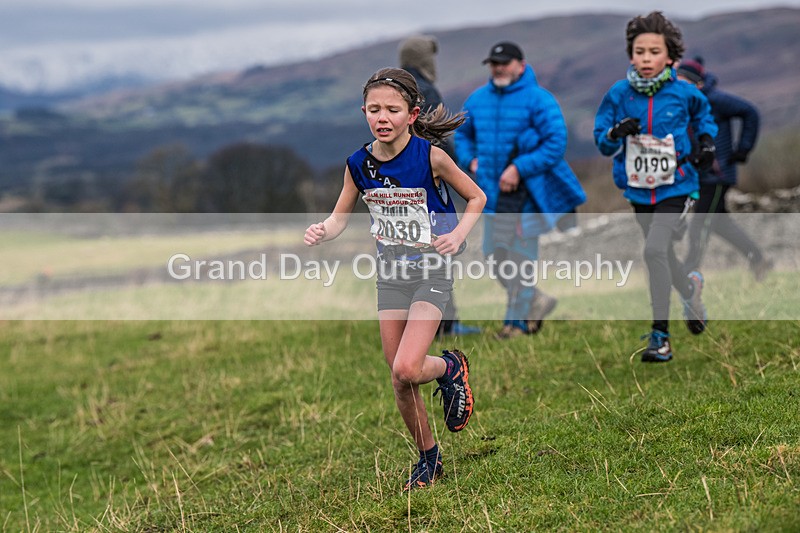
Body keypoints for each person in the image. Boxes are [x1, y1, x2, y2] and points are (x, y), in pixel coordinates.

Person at [304, 67, 486, 491]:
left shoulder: (431, 157)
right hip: (391, 275)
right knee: (399, 376)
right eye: (373, 109)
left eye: (391, 109)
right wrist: (322, 231)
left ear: (411, 113)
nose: (381, 117)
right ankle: (429, 459)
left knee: (409, 365)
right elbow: (339, 217)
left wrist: (458, 234)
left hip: (431, 270)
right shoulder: (358, 164)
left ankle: (450, 366)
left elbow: (477, 196)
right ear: (363, 112)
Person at [594, 11, 718, 362]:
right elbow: (601, 140)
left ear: (670, 56)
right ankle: (691, 289)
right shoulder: (619, 93)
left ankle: (660, 336)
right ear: (631, 54)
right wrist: (616, 132)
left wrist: (707, 141)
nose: (646, 59)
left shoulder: (683, 92)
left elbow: (704, 117)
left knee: (653, 251)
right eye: (639, 51)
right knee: (661, 252)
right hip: (637, 189)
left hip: (677, 185)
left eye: (653, 52)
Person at [454, 41, 586, 338]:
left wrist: (519, 168)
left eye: (504, 62)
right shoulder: (476, 100)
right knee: (494, 256)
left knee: (521, 259)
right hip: (489, 197)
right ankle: (536, 300)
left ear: (521, 65)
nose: (498, 68)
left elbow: (556, 143)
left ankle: (515, 323)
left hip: (526, 197)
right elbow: (462, 135)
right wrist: (468, 159)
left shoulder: (539, 100)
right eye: (494, 63)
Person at [398, 34, 481, 337]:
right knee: (439, 252)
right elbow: (437, 136)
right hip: (428, 184)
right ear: (425, 60)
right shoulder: (426, 90)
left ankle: (423, 323)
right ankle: (447, 324)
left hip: (400, 185)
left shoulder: (397, 88)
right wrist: (454, 169)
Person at [676, 57, 773, 281]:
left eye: (684, 82)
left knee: (700, 223)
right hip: (701, 174)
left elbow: (751, 112)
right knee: (719, 222)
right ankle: (759, 260)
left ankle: (688, 273)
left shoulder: (714, 100)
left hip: (717, 175)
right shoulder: (684, 104)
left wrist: (743, 148)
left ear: (697, 83)